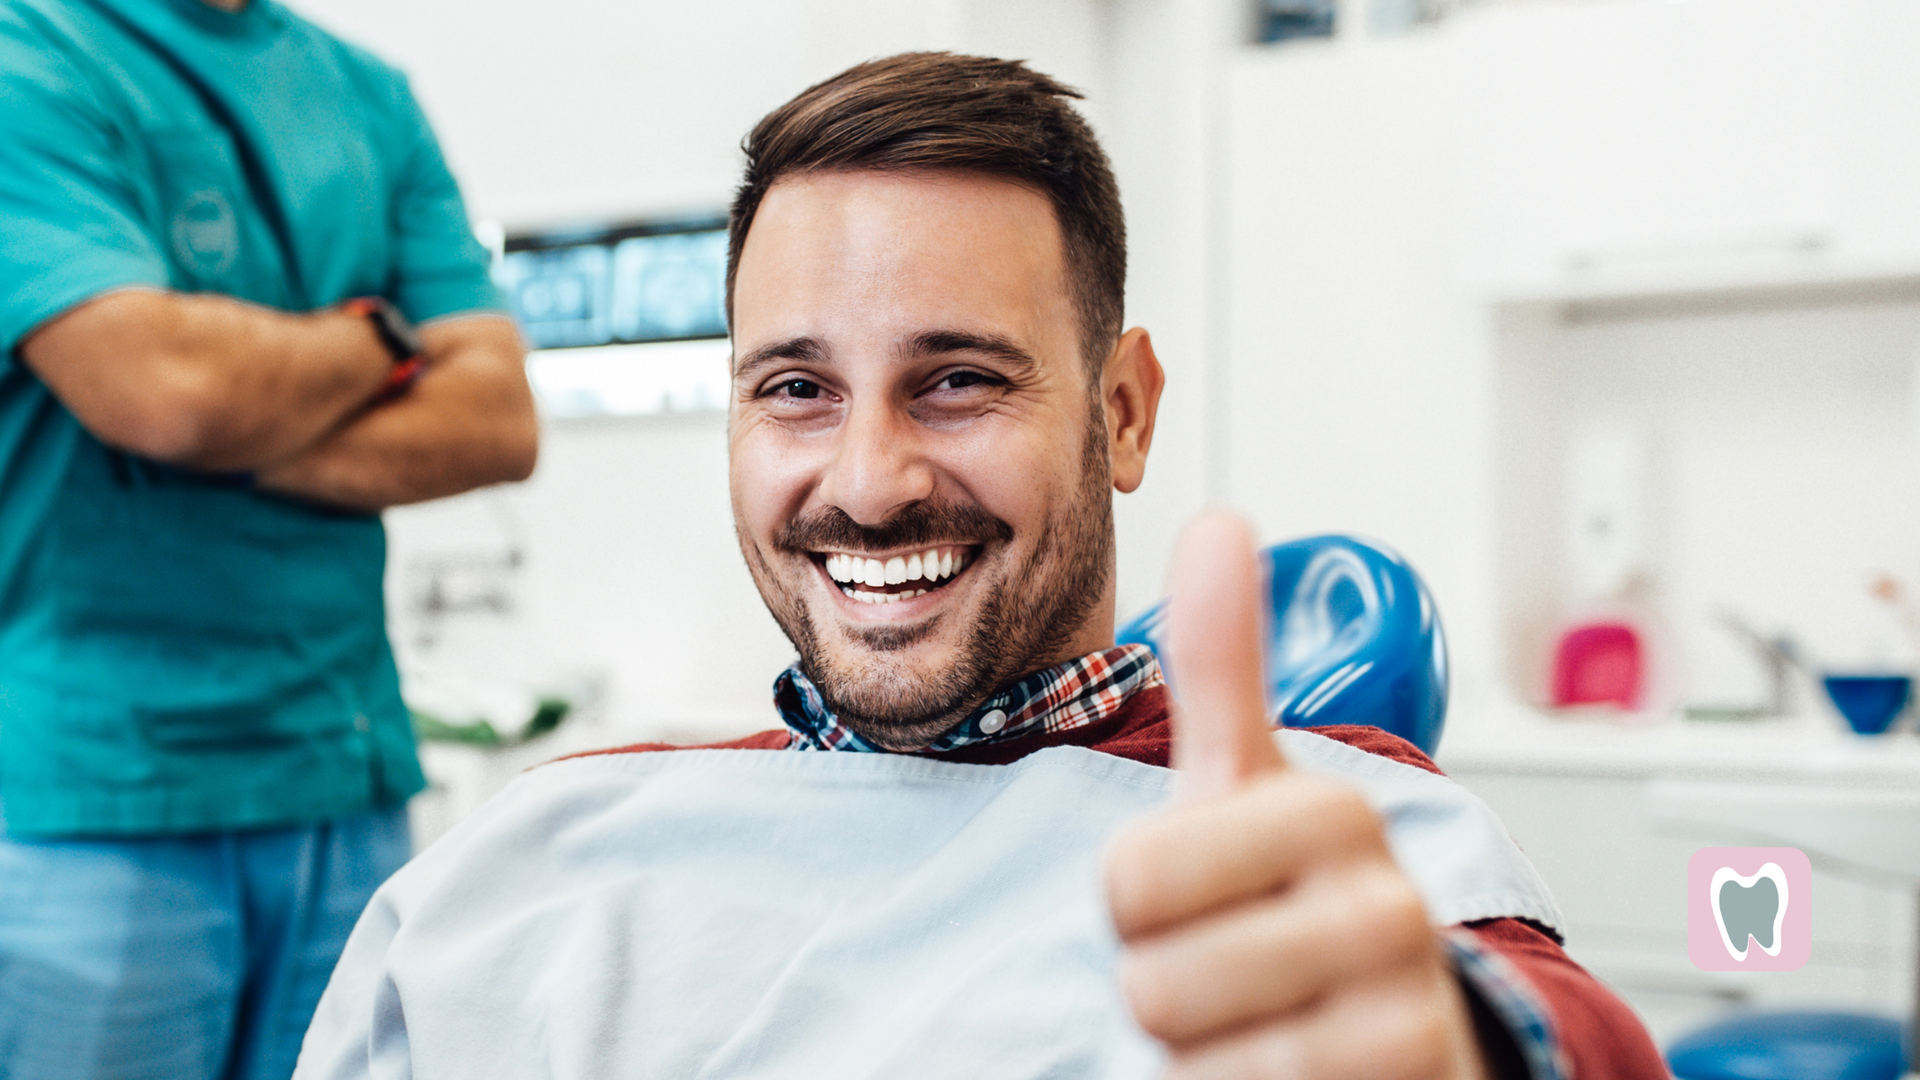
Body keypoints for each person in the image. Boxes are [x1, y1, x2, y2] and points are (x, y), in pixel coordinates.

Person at [295, 53, 1665, 1079]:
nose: (871, 481)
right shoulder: (529, 863)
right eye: (795, 389)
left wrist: (1459, 1046)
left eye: (956, 381)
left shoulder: (1336, 840)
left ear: (1119, 414)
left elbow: (1549, 1027)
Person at [0, 0, 537, 1074]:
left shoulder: (368, 94)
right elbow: (169, 390)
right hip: (85, 798)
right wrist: (382, 340)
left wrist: (207, 423)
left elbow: (497, 421)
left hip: (342, 786)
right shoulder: (29, 52)